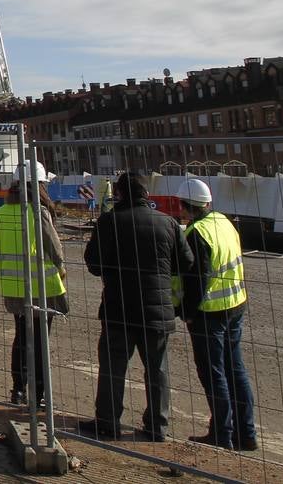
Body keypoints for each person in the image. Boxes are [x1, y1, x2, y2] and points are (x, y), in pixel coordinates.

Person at [81, 172, 194, 441]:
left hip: (119, 308)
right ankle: (158, 426)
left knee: (113, 367)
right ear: (147, 194)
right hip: (157, 310)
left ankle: (108, 422)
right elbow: (186, 263)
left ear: (119, 193)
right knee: (158, 370)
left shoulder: (110, 222)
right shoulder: (167, 223)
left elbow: (94, 264)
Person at [175, 177, 257, 451]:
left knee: (214, 373)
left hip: (209, 312)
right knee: (236, 369)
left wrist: (187, 312)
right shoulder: (224, 222)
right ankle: (246, 433)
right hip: (236, 304)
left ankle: (222, 433)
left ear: (186, 206)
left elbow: (198, 278)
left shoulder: (196, 233)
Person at [0, 174, 67, 408]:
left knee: (21, 338)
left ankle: (18, 391)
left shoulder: (2, 213)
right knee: (40, 341)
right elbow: (55, 249)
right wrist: (61, 268)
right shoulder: (38, 212)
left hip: (13, 287)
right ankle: (40, 395)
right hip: (41, 288)